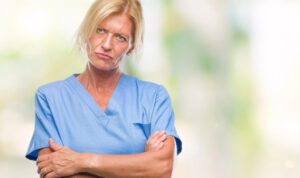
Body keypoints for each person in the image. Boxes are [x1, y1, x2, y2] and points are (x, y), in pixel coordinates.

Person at [25, 0, 182, 177]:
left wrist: (79, 161)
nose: (107, 45)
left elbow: (162, 169)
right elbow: (52, 172)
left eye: (120, 37)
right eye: (100, 30)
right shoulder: (50, 98)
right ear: (86, 31)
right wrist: (141, 163)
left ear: (131, 47)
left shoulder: (154, 97)